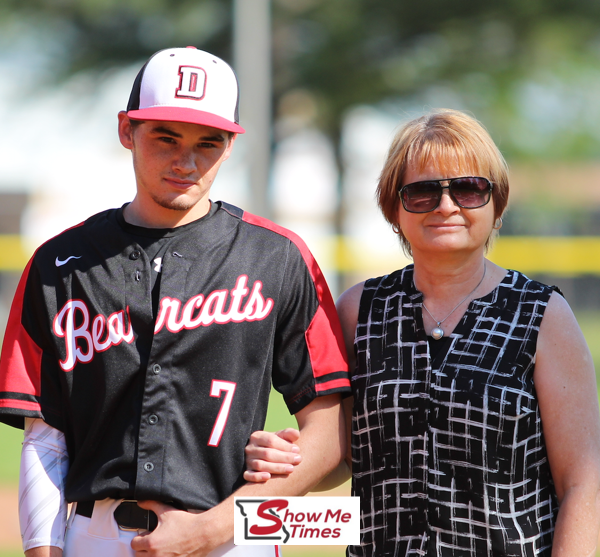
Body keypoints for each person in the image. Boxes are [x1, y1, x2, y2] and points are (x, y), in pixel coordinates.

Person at [0, 46, 350, 557]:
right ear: (127, 131)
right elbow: (45, 439)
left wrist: (217, 528)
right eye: (166, 137)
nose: (186, 161)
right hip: (96, 536)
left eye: (208, 142)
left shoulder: (278, 257)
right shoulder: (61, 263)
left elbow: (331, 427)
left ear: (230, 144)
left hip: (232, 536)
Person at [244, 109, 600, 556]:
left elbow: (583, 484)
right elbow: (348, 460)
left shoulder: (542, 315)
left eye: (469, 189)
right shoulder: (360, 311)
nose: (446, 206)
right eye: (422, 192)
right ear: (394, 208)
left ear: (498, 205)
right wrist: (289, 457)